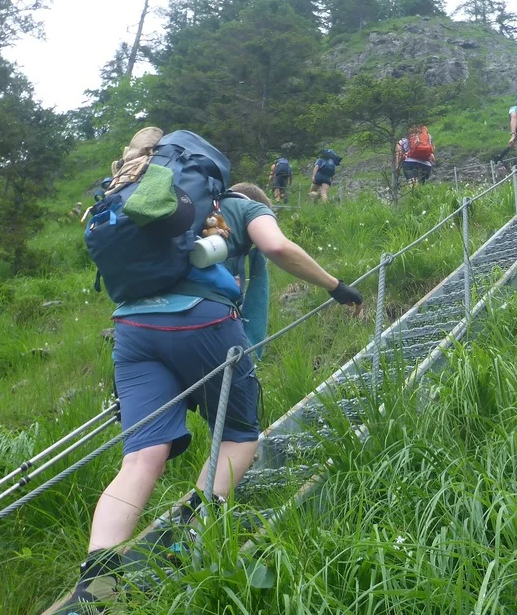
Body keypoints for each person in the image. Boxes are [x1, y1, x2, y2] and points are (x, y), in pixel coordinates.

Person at [57, 179, 363, 612]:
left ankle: (94, 581)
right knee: (239, 436)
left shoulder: (173, 204)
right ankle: (189, 530)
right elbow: (275, 248)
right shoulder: (246, 209)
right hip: (203, 322)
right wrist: (335, 286)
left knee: (141, 458)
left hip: (132, 328)